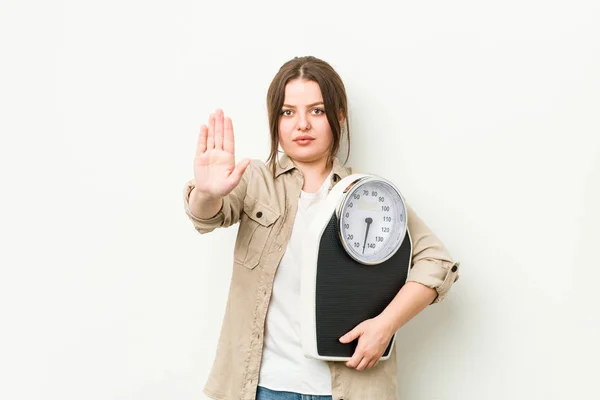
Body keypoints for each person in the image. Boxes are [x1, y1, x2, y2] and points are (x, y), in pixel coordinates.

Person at [183, 56, 460, 400]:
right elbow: (206, 216)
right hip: (264, 387)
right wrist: (207, 192)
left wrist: (386, 325)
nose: (302, 124)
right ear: (275, 120)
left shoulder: (368, 194)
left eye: (316, 110)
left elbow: (438, 263)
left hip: (349, 389)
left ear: (339, 115)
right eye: (288, 112)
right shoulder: (254, 180)